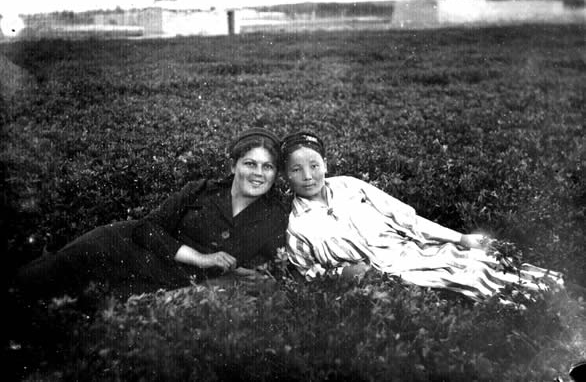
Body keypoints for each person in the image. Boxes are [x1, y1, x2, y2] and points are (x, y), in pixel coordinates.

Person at [281, 131, 564, 302]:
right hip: (383, 280)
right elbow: (309, 274)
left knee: (478, 263)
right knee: (460, 288)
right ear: (286, 176)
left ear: (326, 164)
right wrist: (343, 274)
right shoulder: (297, 226)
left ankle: (556, 297)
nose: (308, 176)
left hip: (415, 253)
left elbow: (408, 219)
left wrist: (461, 238)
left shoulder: (350, 186)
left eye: (314, 165)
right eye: (296, 169)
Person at [12, 128, 288, 300]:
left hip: (158, 281)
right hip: (120, 247)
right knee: (38, 278)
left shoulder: (275, 216)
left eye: (268, 167)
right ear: (233, 166)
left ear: (276, 174)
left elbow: (266, 269)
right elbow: (146, 227)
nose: (258, 173)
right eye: (250, 163)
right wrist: (202, 258)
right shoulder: (200, 190)